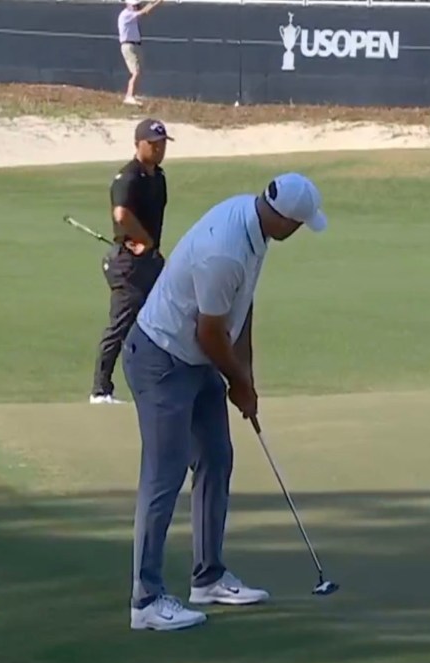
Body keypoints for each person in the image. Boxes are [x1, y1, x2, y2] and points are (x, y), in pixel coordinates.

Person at [122, 172, 328, 631]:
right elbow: (209, 332)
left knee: (216, 457)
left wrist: (246, 374)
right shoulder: (226, 249)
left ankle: (208, 577)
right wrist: (236, 378)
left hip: (196, 359)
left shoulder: (253, 226)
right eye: (298, 224)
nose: (298, 231)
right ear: (282, 219)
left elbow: (241, 307)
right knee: (164, 474)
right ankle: (146, 600)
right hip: (161, 359)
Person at [90, 118, 171, 405]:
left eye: (162, 144)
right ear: (139, 144)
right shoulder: (128, 177)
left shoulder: (158, 177)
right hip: (127, 262)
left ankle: (158, 383)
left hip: (150, 261)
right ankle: (100, 390)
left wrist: (152, 249)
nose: (159, 149)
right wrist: (143, 239)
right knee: (121, 324)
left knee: (162, 321)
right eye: (153, 143)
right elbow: (121, 214)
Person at [118, 0, 164, 106]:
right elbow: (145, 12)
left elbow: (144, 10)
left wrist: (154, 2)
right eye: (135, 5)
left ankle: (133, 94)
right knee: (136, 72)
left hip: (135, 45)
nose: (136, 7)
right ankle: (129, 96)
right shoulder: (126, 15)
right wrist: (157, 3)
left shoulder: (131, 14)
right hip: (129, 46)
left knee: (139, 72)